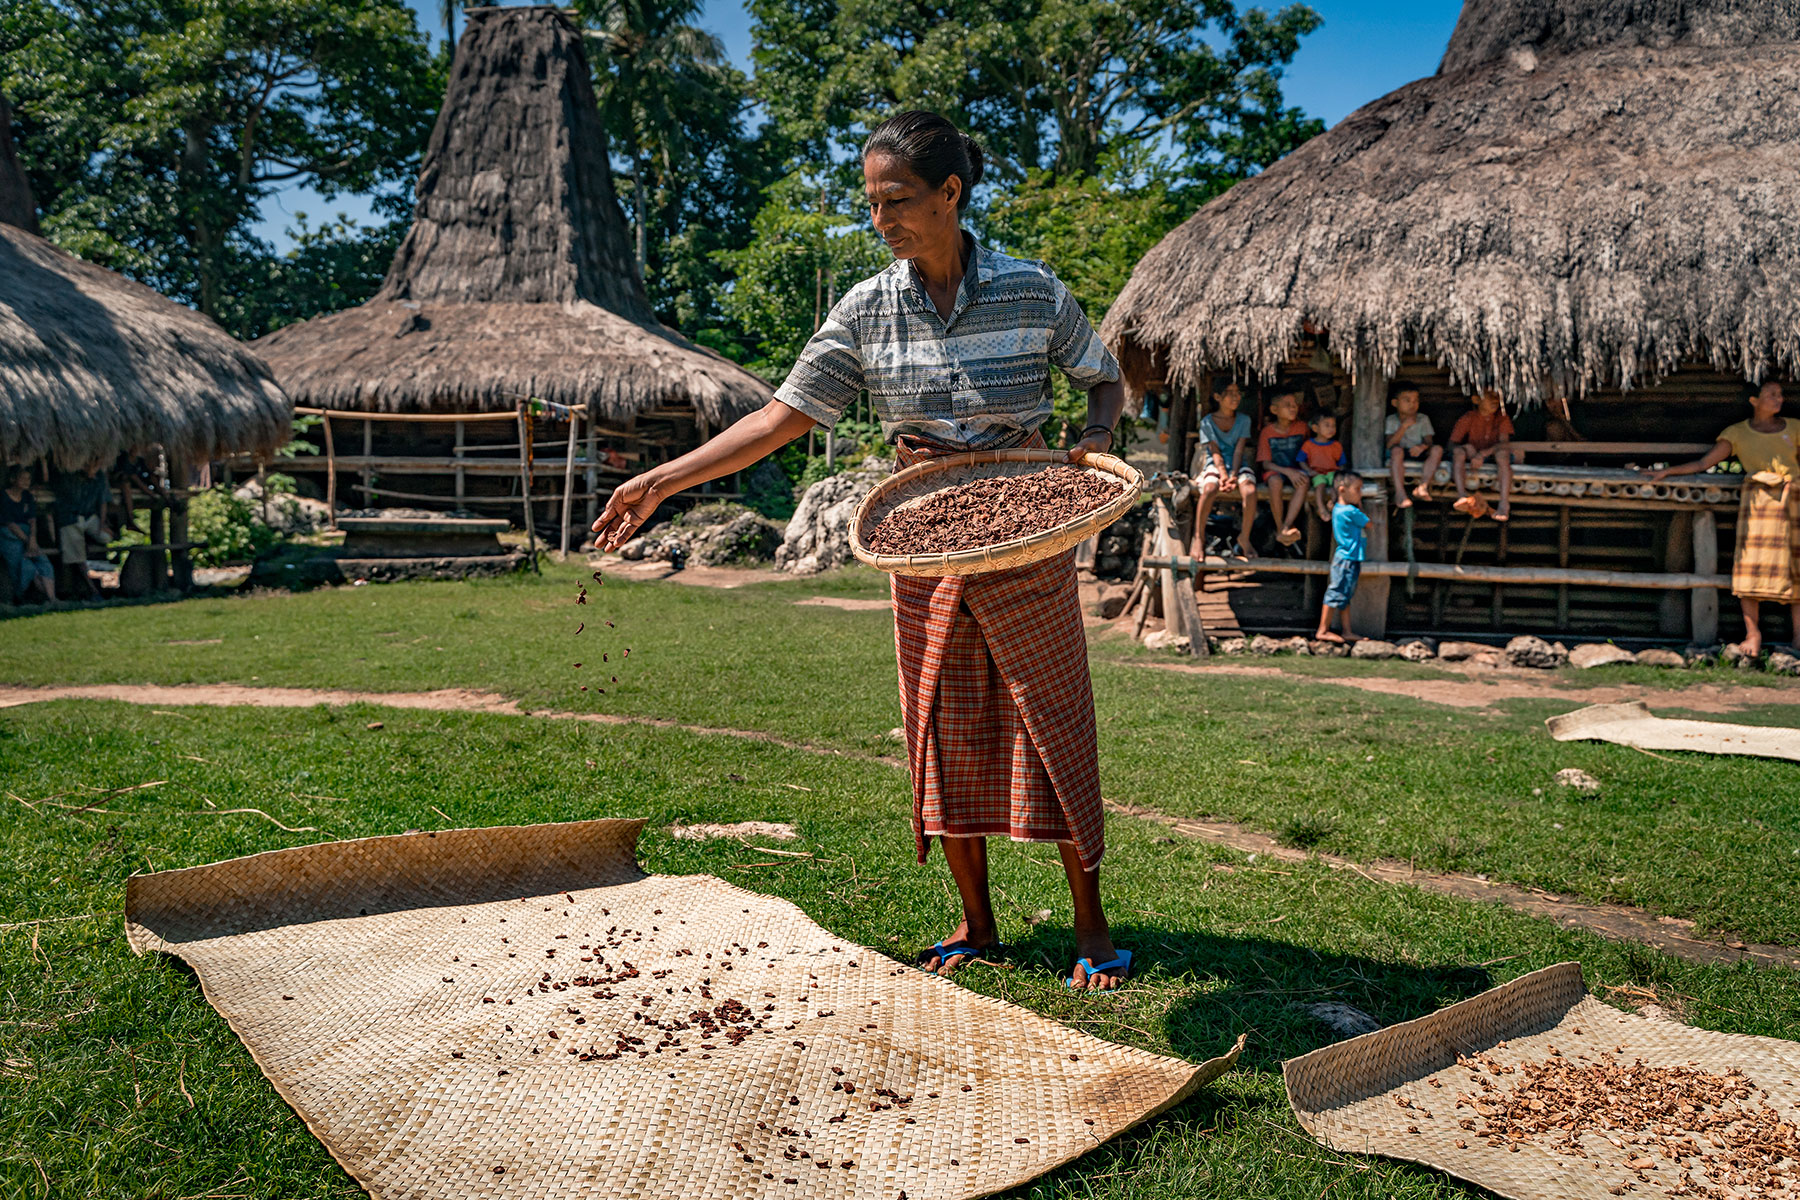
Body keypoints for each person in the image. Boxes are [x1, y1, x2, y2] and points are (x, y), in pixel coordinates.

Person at [591, 110, 1133, 990]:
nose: (881, 221)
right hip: (921, 535)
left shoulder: (1033, 290)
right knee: (940, 727)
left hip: (1028, 529)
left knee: (1052, 720)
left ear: (951, 194)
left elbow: (1101, 372)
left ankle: (1092, 928)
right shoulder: (867, 310)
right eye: (871, 205)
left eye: (898, 201)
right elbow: (780, 418)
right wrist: (663, 480)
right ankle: (977, 920)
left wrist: (1095, 432)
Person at [1645, 381, 1800, 657]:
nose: (1779, 399)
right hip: (1758, 506)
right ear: (1754, 400)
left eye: (1780, 394)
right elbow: (1704, 464)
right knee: (1750, 565)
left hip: (1793, 504)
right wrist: (1667, 473)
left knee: (1796, 569)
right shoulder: (1737, 433)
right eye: (1771, 395)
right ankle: (1753, 635)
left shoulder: (1794, 427)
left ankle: (1799, 639)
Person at [1190, 378, 1257, 558]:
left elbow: (1239, 450)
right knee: (1210, 487)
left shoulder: (1244, 420)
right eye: (1230, 394)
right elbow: (1215, 451)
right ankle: (1199, 536)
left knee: (1250, 491)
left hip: (1238, 464)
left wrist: (1233, 475)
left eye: (1237, 394)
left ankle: (1245, 537)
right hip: (1214, 464)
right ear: (1218, 397)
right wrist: (1223, 475)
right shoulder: (1207, 422)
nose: (1236, 398)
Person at [1450, 389, 1519, 522]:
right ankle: (1461, 496)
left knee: (1502, 455)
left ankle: (1504, 503)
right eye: (1489, 396)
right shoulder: (1468, 418)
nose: (1495, 400)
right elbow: (1451, 446)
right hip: (1472, 457)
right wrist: (1467, 448)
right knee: (1458, 453)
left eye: (1497, 396)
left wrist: (1483, 454)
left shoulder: (1502, 418)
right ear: (1476, 400)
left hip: (1494, 457)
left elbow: (1504, 444)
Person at [1315, 472, 1368, 643]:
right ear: (1342, 490)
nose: (1360, 493)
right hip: (1347, 559)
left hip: (1348, 558)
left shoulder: (1338, 509)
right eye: (1358, 489)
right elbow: (1369, 523)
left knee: (1344, 596)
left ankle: (1347, 631)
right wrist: (1360, 505)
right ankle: (1322, 630)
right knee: (1335, 592)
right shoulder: (1351, 511)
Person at [1257, 387, 1311, 546]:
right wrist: (1288, 472)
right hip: (1276, 472)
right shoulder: (1267, 432)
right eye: (1287, 405)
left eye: (1294, 404)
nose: (1293, 407)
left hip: (1297, 472)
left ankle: (1287, 525)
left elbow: (1308, 453)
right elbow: (1266, 464)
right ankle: (1280, 526)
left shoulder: (1302, 427)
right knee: (1275, 482)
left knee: (1304, 481)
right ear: (1274, 410)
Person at [52, 461, 112, 600]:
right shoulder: (69, 477)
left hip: (89, 517)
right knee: (77, 555)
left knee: (106, 536)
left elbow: (103, 500)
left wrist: (102, 523)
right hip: (70, 518)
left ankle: (85, 544)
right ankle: (92, 590)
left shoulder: (100, 477)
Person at [1, 464, 56, 603]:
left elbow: (32, 520)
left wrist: (32, 539)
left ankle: (53, 599)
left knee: (43, 562)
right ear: (13, 479)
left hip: (27, 534)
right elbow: (10, 524)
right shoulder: (3, 497)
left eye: (28, 478)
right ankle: (22, 597)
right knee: (24, 565)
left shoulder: (27, 496)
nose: (27, 481)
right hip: (9, 536)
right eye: (23, 478)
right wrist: (27, 541)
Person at [1385, 382, 1444, 508]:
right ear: (1395, 403)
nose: (1412, 404)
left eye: (1415, 400)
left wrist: (1422, 447)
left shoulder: (1423, 419)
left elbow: (1429, 442)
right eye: (1407, 400)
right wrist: (1404, 426)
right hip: (1399, 454)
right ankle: (1400, 494)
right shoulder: (1391, 420)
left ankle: (1423, 487)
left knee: (1437, 450)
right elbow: (1389, 445)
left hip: (1418, 451)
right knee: (1396, 451)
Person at [1301, 411, 1346, 522]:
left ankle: (1334, 503)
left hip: (1332, 472)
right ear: (1315, 428)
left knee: (1336, 484)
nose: (1331, 428)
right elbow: (1301, 460)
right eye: (1327, 425)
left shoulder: (1336, 445)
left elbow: (1342, 463)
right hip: (1317, 473)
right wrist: (1309, 471)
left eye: (1333, 426)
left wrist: (1341, 472)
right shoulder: (1308, 445)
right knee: (1320, 486)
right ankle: (1321, 508)